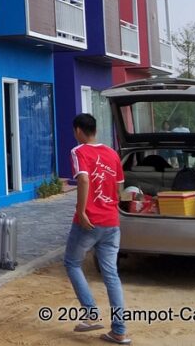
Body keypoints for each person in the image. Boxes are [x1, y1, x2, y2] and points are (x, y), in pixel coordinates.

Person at [64, 113, 131, 344]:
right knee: (111, 274)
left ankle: (91, 313)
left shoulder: (79, 151)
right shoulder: (112, 154)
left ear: (79, 131)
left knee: (72, 263)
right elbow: (120, 187)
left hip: (89, 221)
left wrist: (82, 211)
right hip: (112, 222)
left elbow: (83, 180)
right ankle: (119, 331)